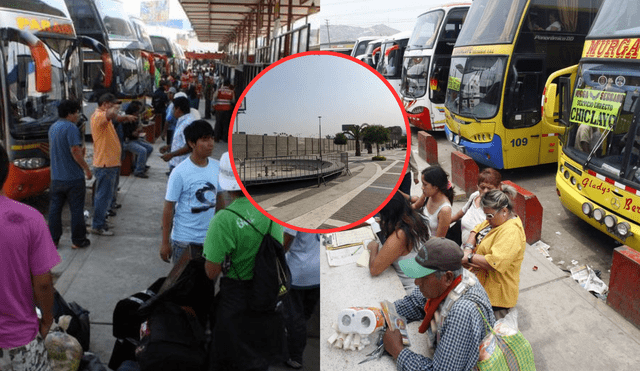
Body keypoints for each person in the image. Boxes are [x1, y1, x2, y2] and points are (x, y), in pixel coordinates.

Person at [203, 151, 286, 371]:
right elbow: (278, 247)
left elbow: (211, 271)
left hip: (235, 297)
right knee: (257, 356)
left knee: (228, 356)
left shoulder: (223, 220)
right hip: (266, 295)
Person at [382, 237, 496, 371]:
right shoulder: (451, 277)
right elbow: (415, 302)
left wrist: (398, 351)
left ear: (447, 277)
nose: (416, 282)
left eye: (423, 277)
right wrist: (381, 314)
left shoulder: (463, 312)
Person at [0, 143, 61, 370]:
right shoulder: (29, 219)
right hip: (19, 343)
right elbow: (43, 284)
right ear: (6, 169)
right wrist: (47, 320)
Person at [160, 120, 219, 264]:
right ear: (192, 143)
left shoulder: (217, 167)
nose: (210, 143)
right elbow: (169, 208)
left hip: (210, 241)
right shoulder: (179, 172)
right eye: (205, 139)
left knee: (206, 285)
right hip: (184, 242)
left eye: (211, 138)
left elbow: (221, 201)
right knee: (182, 286)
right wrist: (165, 242)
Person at [461, 188, 526, 319]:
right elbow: (476, 229)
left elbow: (494, 262)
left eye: (489, 215)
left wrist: (468, 257)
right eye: (485, 215)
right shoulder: (495, 220)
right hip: (481, 288)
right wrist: (468, 248)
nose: (487, 219)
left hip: (496, 298)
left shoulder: (511, 232)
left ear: (504, 211)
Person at [48, 99, 92, 249]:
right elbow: (75, 152)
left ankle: (53, 240)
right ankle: (78, 240)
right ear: (70, 114)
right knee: (77, 210)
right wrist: (86, 168)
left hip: (56, 178)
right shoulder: (71, 128)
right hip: (73, 178)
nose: (79, 115)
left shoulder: (53, 127)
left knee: (54, 210)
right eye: (77, 112)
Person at [366, 192, 430, 293]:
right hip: (422, 283)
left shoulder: (400, 235)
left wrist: (373, 247)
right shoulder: (418, 218)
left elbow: (374, 270)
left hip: (412, 291)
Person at [282, 229, 321, 370]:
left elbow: (285, 243)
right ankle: (293, 343)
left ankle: (295, 356)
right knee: (304, 315)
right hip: (318, 273)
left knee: (294, 317)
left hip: (298, 273)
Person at [89, 93, 122, 236]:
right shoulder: (99, 116)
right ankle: (97, 225)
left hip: (110, 163)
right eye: (112, 104)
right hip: (105, 164)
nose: (115, 107)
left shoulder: (103, 117)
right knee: (103, 196)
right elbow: (111, 114)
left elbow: (114, 116)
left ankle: (101, 221)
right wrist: (115, 108)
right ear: (105, 104)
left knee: (106, 196)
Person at [449, 168, 502, 245]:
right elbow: (461, 213)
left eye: (490, 188)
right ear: (477, 186)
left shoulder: (499, 208)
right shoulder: (475, 196)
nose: (485, 191)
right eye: (482, 187)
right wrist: (446, 222)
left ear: (498, 187)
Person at [410, 166, 454, 237]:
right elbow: (415, 206)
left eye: (425, 184)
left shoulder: (445, 210)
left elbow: (438, 240)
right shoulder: (428, 195)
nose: (422, 187)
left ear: (436, 186)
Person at [160, 96, 195, 174]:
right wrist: (169, 147)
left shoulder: (187, 123)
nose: (172, 111)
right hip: (177, 164)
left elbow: (189, 146)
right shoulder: (182, 121)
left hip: (182, 166)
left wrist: (171, 155)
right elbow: (181, 141)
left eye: (173, 109)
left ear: (178, 108)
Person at [123, 101, 154, 178]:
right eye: (137, 112)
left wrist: (139, 130)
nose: (138, 113)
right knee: (142, 151)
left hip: (134, 139)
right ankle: (138, 170)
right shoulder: (126, 119)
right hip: (127, 141)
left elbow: (137, 130)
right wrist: (135, 133)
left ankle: (140, 165)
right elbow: (127, 134)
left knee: (149, 148)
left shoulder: (136, 118)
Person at [213, 78, 235, 143]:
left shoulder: (219, 90)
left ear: (223, 83)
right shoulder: (231, 91)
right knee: (226, 124)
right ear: (229, 84)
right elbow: (233, 100)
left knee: (218, 123)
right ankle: (225, 138)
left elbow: (214, 97)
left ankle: (216, 138)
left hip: (219, 109)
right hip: (227, 110)